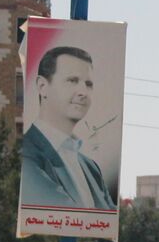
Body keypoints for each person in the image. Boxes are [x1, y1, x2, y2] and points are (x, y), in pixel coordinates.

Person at [21, 46, 115, 210]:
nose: (83, 92)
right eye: (72, 81)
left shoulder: (90, 167)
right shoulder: (28, 156)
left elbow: (107, 221)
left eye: (88, 84)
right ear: (42, 86)